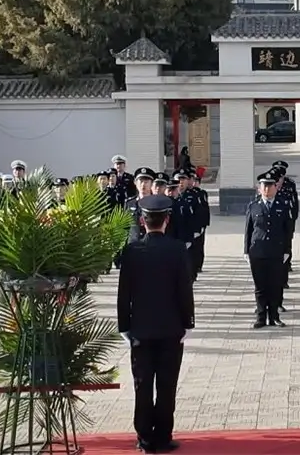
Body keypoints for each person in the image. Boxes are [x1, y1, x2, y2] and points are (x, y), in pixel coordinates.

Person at [117, 194, 195, 454]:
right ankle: (163, 436)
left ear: (142, 221)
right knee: (166, 385)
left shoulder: (131, 251)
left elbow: (123, 292)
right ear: (167, 220)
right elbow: (184, 290)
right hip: (170, 329)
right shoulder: (176, 250)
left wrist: (124, 326)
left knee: (142, 385)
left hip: (140, 329)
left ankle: (144, 438)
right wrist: (188, 323)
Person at [244, 173, 293, 328]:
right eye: (263, 186)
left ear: (275, 188)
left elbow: (288, 231)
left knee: (275, 285)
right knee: (260, 287)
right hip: (257, 251)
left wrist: (287, 250)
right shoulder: (253, 206)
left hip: (276, 251)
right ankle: (260, 317)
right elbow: (248, 230)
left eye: (269, 186)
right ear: (259, 188)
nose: (266, 189)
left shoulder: (283, 205)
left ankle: (274, 316)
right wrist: (246, 251)